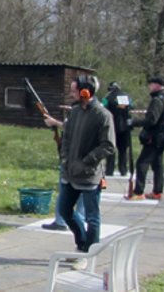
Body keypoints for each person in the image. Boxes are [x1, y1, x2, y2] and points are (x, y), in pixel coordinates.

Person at [57, 75, 115, 269]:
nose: (71, 94)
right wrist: (65, 158)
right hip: (70, 172)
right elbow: (66, 138)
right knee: (65, 210)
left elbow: (108, 146)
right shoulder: (74, 113)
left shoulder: (103, 115)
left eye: (74, 90)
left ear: (85, 92)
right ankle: (81, 244)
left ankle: (89, 254)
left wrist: (86, 161)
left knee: (92, 217)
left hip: (90, 174)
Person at [128, 76, 164, 201]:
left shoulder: (157, 100)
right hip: (162, 136)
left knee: (142, 163)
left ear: (157, 85)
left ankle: (138, 191)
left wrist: (134, 122)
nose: (149, 87)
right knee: (157, 165)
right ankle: (157, 191)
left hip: (154, 136)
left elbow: (152, 120)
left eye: (151, 84)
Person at [102, 82, 132, 176]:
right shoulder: (126, 97)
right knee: (123, 150)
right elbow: (130, 107)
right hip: (124, 127)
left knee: (111, 149)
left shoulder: (106, 98)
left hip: (112, 126)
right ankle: (123, 170)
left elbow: (103, 109)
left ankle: (109, 170)